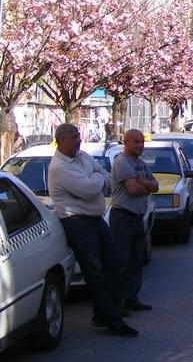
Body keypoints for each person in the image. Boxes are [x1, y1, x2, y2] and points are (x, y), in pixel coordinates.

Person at [48, 123, 137, 338]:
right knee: (94, 271)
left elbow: (104, 176)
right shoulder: (60, 167)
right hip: (77, 223)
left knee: (114, 263)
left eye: (78, 136)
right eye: (74, 137)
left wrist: (95, 180)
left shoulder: (82, 157)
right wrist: (95, 181)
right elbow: (89, 189)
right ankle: (112, 319)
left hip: (95, 219)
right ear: (61, 140)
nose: (79, 140)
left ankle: (106, 311)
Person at [110, 129, 159, 312]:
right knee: (122, 262)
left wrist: (144, 183)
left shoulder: (141, 164)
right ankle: (118, 303)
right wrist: (145, 186)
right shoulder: (122, 163)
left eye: (142, 142)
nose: (140, 145)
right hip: (123, 218)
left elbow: (155, 186)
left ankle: (132, 298)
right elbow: (132, 189)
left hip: (137, 218)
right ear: (126, 142)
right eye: (136, 142)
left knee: (136, 262)